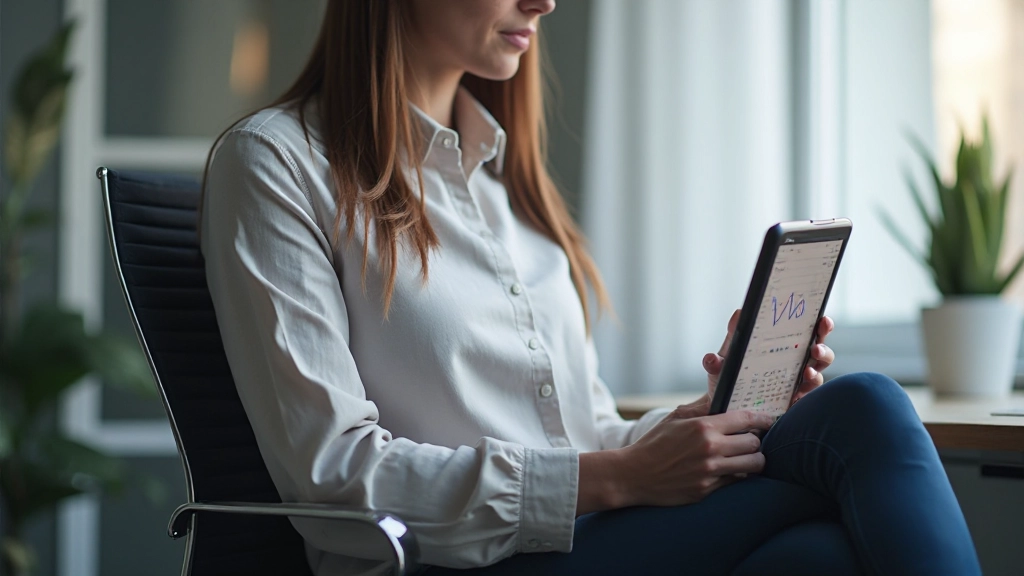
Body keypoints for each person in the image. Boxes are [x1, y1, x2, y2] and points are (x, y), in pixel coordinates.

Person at [200, 1, 981, 574]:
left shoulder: (507, 201)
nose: (543, 2)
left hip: (578, 539)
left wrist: (698, 424)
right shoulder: (276, 166)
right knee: (865, 412)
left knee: (816, 559)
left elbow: (585, 438)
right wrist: (618, 477)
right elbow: (336, 477)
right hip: (450, 565)